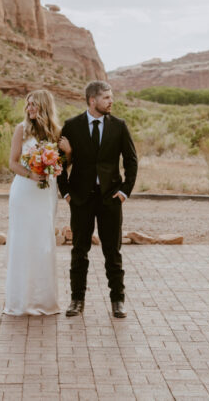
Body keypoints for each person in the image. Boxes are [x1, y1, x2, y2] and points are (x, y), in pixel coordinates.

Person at [58, 80, 137, 318]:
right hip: (80, 199)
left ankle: (118, 301)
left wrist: (124, 192)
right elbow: (59, 162)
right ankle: (76, 300)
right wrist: (67, 193)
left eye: (111, 97)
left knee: (113, 252)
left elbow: (131, 161)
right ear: (92, 100)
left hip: (110, 199)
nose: (111, 101)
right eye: (106, 98)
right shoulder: (72, 126)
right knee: (79, 252)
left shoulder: (119, 126)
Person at [3, 89, 63, 316]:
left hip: (46, 193)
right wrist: (31, 175)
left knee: (43, 241)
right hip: (25, 191)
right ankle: (19, 301)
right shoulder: (21, 130)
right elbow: (13, 162)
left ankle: (44, 300)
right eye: (28, 105)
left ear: (44, 106)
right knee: (22, 241)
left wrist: (63, 157)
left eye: (34, 105)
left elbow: (61, 165)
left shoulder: (56, 132)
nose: (29, 109)